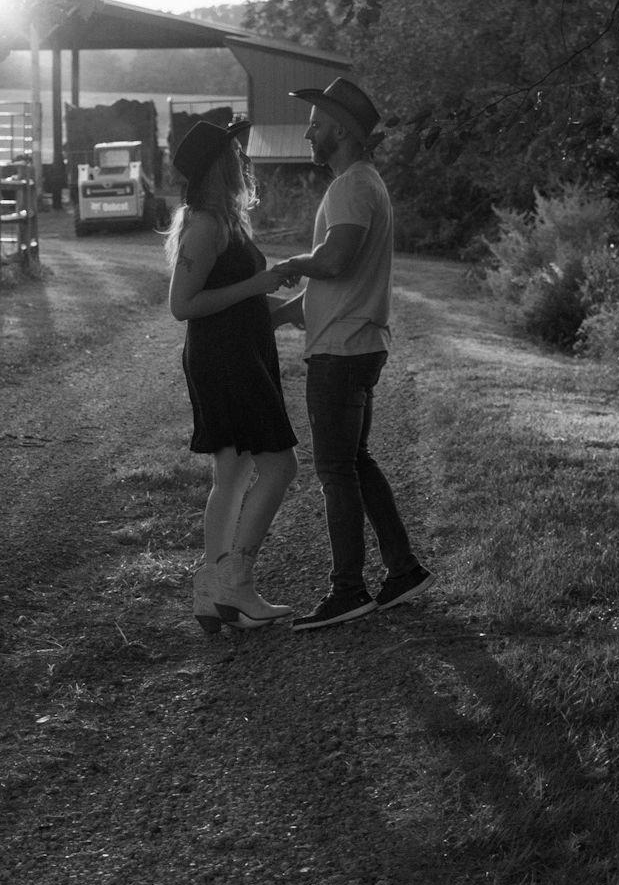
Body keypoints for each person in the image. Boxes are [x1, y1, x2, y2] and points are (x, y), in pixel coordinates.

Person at [271, 76, 432, 630]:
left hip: (341, 353)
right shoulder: (364, 184)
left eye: (316, 123)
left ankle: (348, 590)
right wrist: (278, 315)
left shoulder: (350, 187)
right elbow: (337, 279)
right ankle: (403, 569)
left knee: (335, 470)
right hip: (357, 343)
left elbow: (334, 261)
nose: (308, 133)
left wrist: (289, 264)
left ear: (340, 130)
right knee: (356, 461)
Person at [166, 118, 301, 634]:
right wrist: (256, 285)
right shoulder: (206, 225)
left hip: (237, 351)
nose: (243, 160)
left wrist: (286, 309)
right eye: (235, 153)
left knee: (233, 474)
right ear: (220, 165)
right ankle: (237, 586)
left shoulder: (225, 221)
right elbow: (183, 306)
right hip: (226, 360)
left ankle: (209, 591)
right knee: (280, 466)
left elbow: (239, 303)